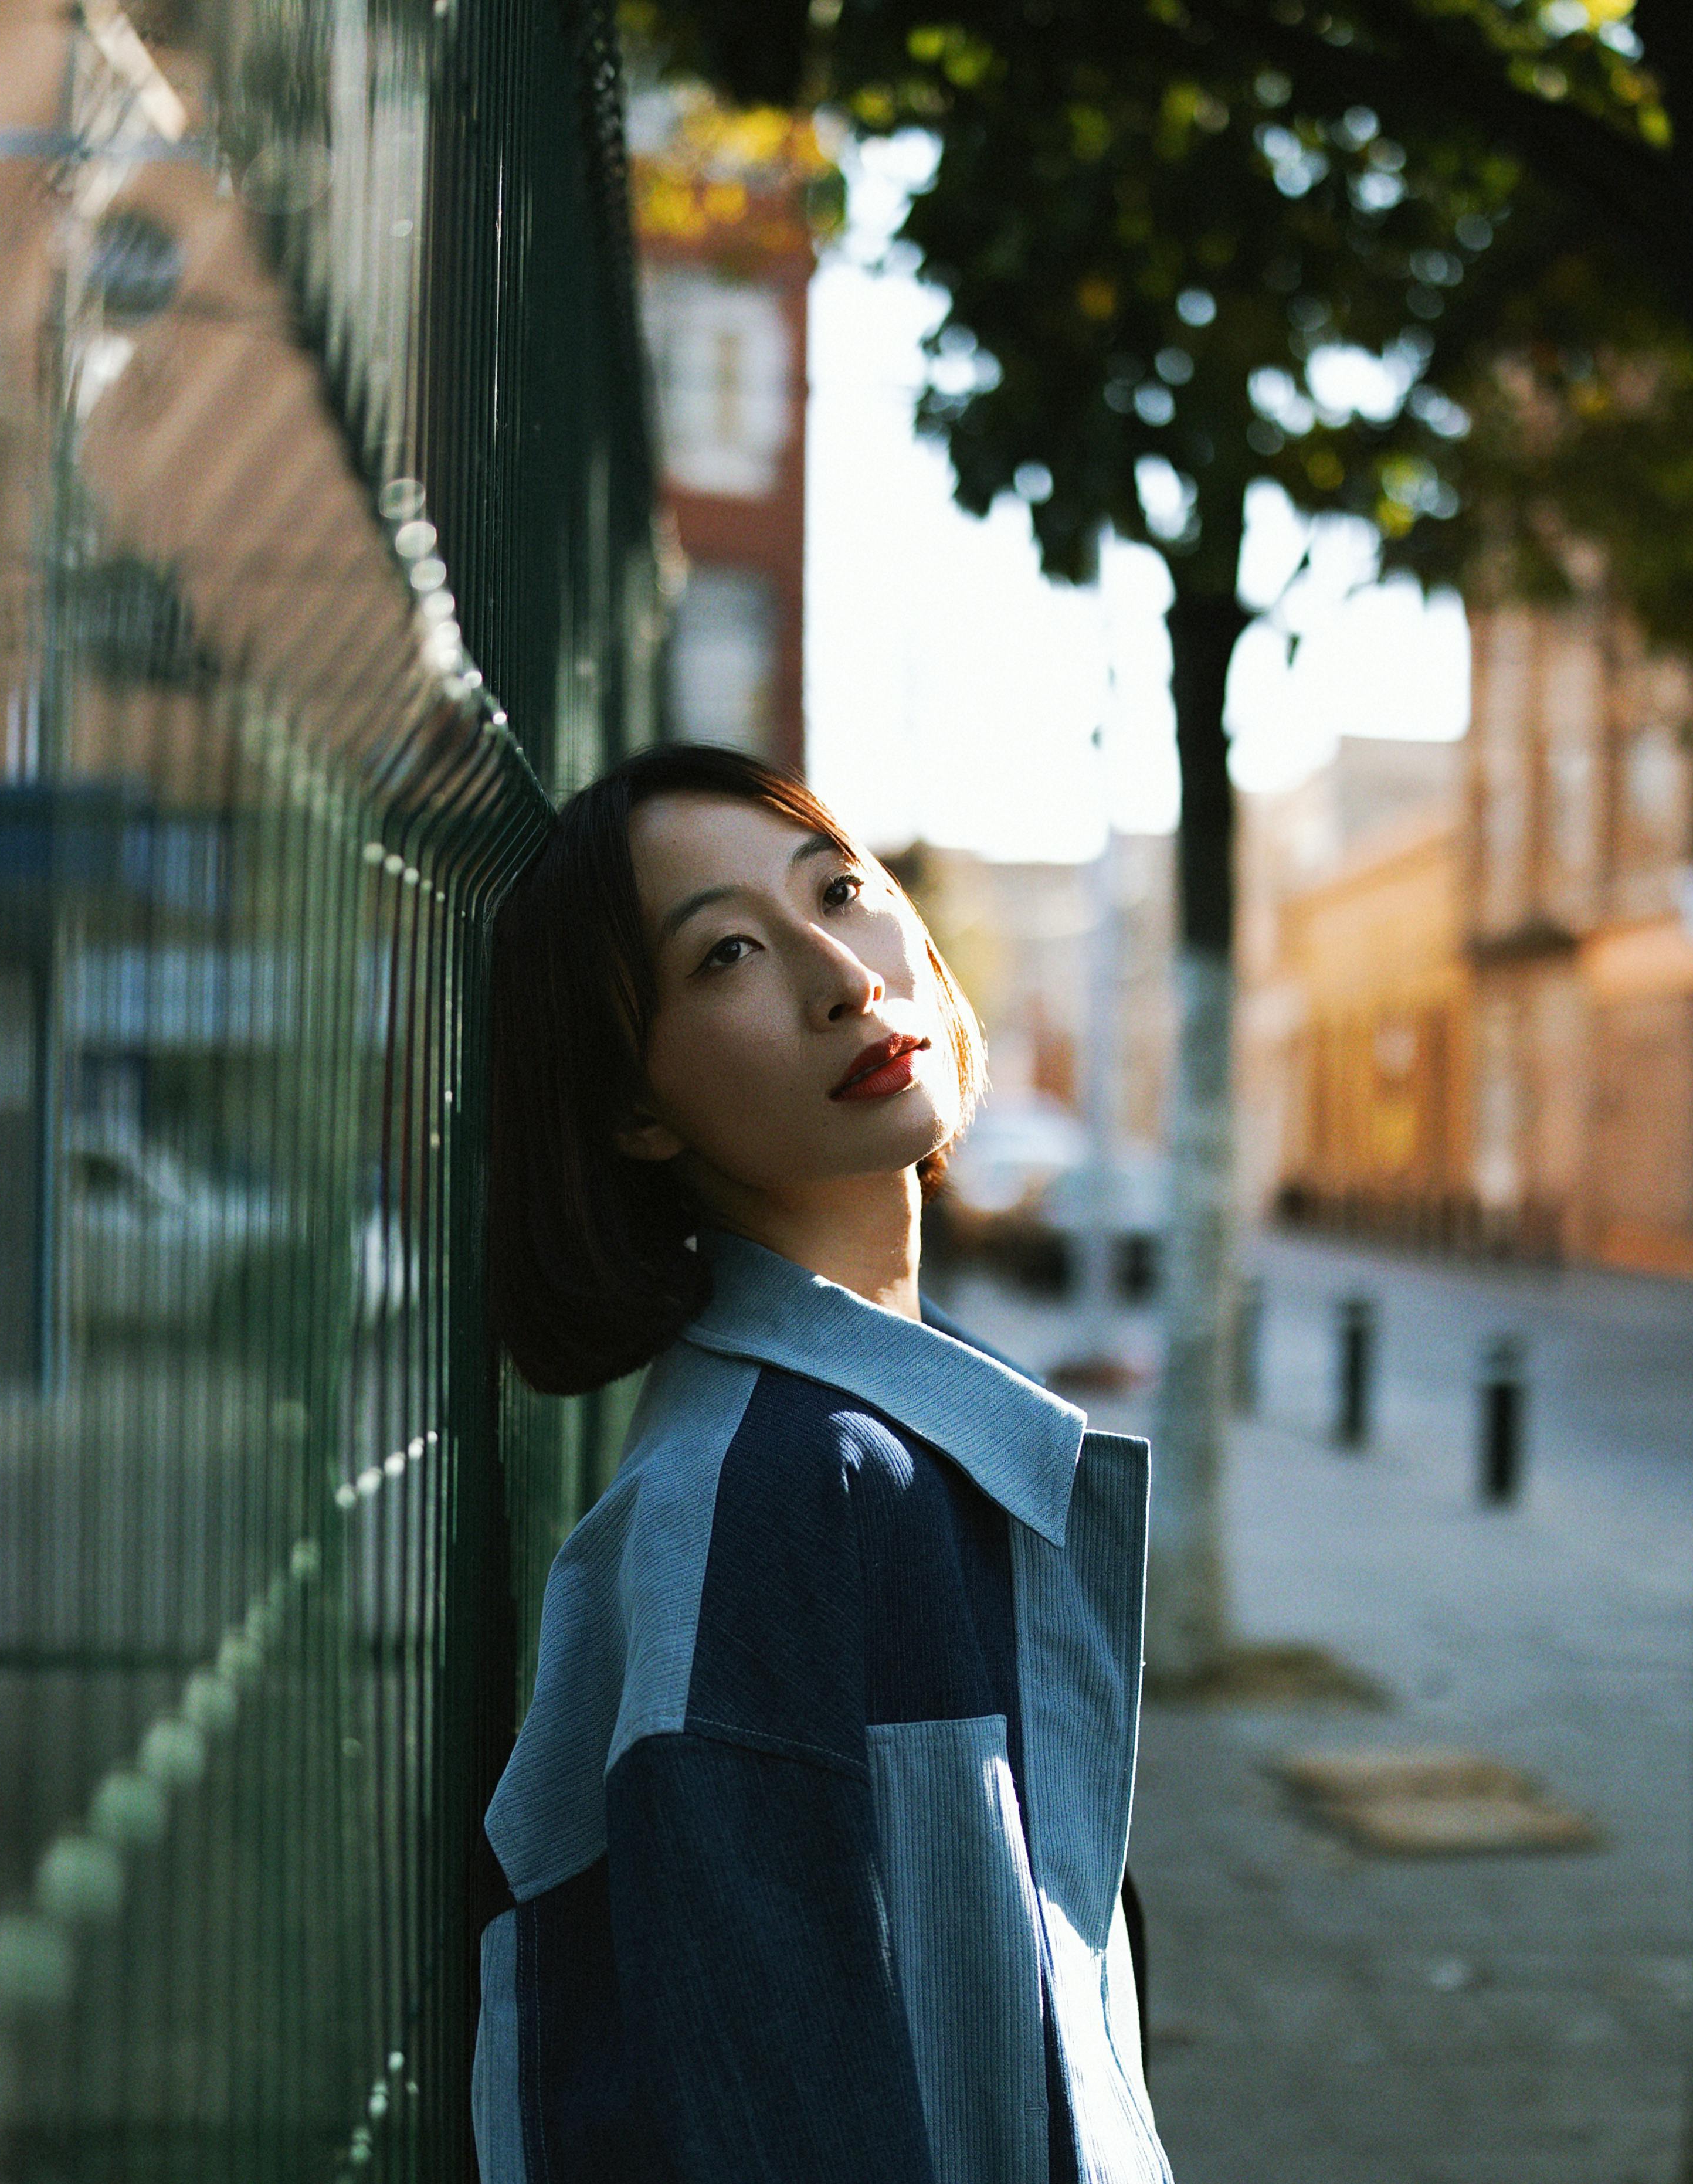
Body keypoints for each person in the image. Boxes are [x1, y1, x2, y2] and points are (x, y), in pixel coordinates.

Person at [472, 743, 1169, 2184]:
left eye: (839, 891)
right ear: (635, 1106)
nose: (843, 976)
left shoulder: (901, 1429)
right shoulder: (768, 1502)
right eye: (725, 953)